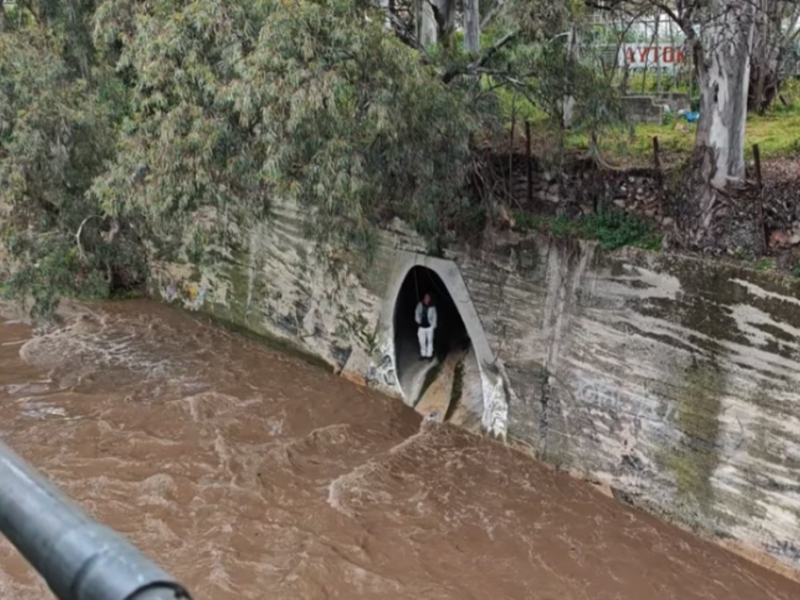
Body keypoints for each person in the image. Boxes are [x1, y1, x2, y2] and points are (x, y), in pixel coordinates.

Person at [414, 293, 437, 360]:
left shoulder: (432, 307)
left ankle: (429, 355)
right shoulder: (420, 305)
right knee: (422, 341)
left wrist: (433, 326)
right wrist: (418, 321)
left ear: (430, 299)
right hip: (421, 327)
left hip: (429, 327)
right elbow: (416, 313)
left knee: (430, 341)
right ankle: (423, 354)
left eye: (428, 297)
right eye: (425, 297)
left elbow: (434, 317)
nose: (426, 299)